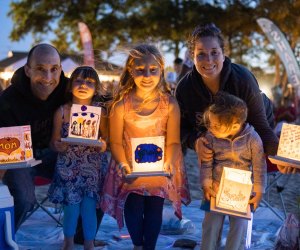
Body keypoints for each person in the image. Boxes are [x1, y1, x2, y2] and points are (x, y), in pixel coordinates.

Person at [0, 44, 105, 244]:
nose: (48, 77)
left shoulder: (68, 87)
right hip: (21, 159)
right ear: (28, 70)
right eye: (40, 69)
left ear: (60, 69)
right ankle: (4, 241)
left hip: (59, 155)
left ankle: (84, 239)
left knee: (96, 180)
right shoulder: (8, 100)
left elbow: (100, 100)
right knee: (23, 198)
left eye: (54, 69)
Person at [175, 23, 297, 174]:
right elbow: (180, 128)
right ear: (192, 56)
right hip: (216, 140)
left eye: (214, 52)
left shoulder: (243, 79)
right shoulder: (184, 89)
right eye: (201, 54)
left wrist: (277, 156)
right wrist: (195, 142)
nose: (208, 60)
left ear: (224, 53)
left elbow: (262, 127)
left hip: (255, 126)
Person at [101, 44, 191, 250]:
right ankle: (137, 245)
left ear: (161, 70)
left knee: (154, 205)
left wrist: (168, 163)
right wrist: (124, 165)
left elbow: (174, 141)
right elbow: (115, 142)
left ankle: (148, 246)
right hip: (130, 166)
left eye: (153, 69)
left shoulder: (169, 104)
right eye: (140, 70)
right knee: (133, 204)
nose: (147, 75)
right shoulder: (121, 105)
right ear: (131, 71)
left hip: (159, 167)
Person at [48, 66, 108, 250]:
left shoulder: (100, 112)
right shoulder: (63, 112)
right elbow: (53, 141)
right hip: (68, 167)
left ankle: (89, 244)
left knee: (90, 207)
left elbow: (107, 138)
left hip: (93, 168)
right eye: (79, 80)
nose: (83, 85)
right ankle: (68, 243)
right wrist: (58, 145)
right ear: (70, 85)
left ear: (96, 88)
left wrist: (103, 144)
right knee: (71, 208)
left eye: (89, 82)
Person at [199, 92, 266, 250]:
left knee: (239, 227)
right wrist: (206, 184)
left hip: (241, 194)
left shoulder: (253, 139)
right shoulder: (210, 137)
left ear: (235, 125)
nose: (210, 128)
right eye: (209, 123)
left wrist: (259, 190)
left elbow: (259, 166)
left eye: (216, 125)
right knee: (210, 225)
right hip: (216, 189)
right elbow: (206, 162)